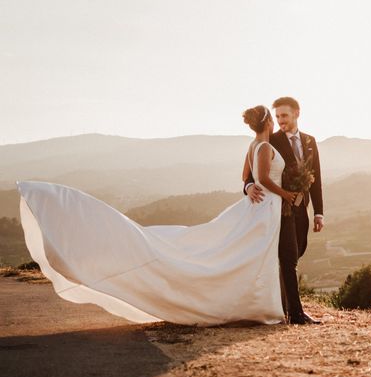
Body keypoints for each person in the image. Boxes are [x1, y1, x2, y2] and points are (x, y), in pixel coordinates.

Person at [15, 105, 294, 326]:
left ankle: (260, 303)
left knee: (248, 255)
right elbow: (262, 179)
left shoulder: (252, 146)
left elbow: (250, 177)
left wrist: (253, 187)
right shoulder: (265, 146)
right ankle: (256, 304)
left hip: (262, 208)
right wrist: (286, 194)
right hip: (265, 207)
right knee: (248, 255)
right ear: (269, 122)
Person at [244, 96, 324, 325]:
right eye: (277, 116)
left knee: (295, 254)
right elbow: (252, 175)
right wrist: (248, 187)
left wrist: (318, 212)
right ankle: (292, 311)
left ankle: (285, 305)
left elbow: (316, 179)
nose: (281, 121)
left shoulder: (310, 141)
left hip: (302, 210)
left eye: (285, 116)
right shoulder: (272, 140)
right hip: (281, 210)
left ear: (297, 113)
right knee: (287, 260)